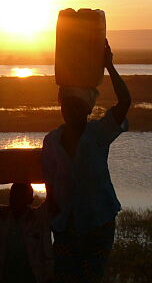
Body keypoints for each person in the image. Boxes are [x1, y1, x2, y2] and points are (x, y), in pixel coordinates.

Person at [42, 40, 130, 283]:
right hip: (65, 224)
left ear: (88, 109)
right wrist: (52, 206)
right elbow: (49, 177)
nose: (69, 110)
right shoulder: (51, 141)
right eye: (66, 105)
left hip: (98, 221)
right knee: (64, 277)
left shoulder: (98, 134)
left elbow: (124, 103)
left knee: (91, 277)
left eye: (77, 106)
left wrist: (109, 67)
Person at [0, 166, 53, 283]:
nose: (15, 198)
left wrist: (48, 176)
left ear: (30, 200)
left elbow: (52, 200)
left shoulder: (38, 218)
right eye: (14, 195)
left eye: (20, 195)